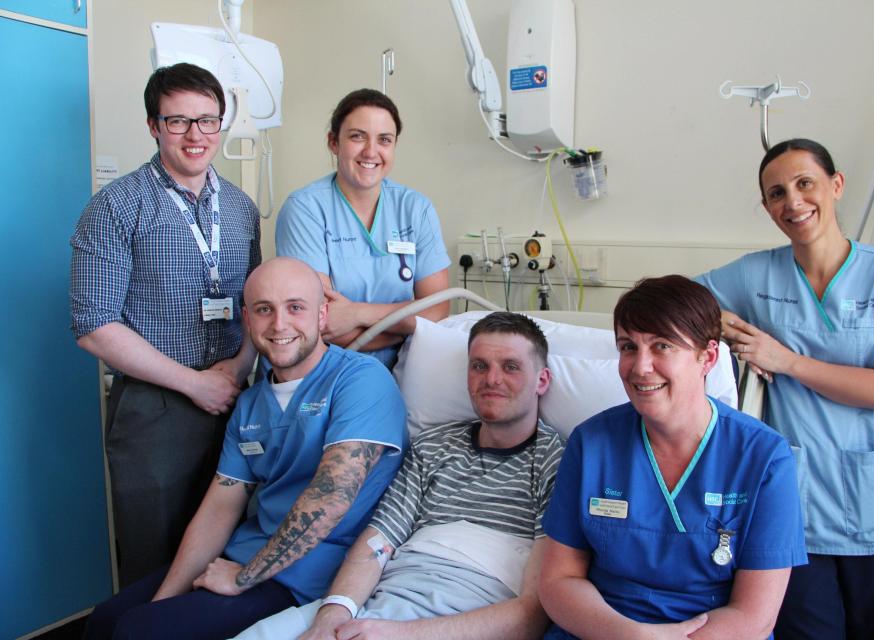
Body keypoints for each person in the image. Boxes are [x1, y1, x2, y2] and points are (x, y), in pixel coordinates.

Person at [83, 258, 408, 640]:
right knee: (107, 620)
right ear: (247, 319)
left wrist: (244, 576)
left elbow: (333, 497)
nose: (280, 324)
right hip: (246, 553)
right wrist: (165, 599)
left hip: (309, 571)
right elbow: (220, 508)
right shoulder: (251, 404)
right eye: (264, 309)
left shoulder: (360, 380)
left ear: (322, 315)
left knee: (140, 631)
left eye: (295, 307)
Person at [696, 138, 874, 639]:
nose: (794, 202)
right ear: (767, 207)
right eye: (777, 193)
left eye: (805, 184)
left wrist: (785, 361)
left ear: (836, 185)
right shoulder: (758, 273)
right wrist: (727, 326)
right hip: (796, 516)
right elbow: (672, 300)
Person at [233, 311, 566, 640]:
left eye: (511, 367)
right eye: (479, 365)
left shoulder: (560, 463)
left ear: (542, 381)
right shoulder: (432, 446)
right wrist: (332, 615)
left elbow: (530, 615)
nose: (492, 379)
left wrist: (399, 633)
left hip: (464, 616)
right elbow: (379, 541)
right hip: (383, 599)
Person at [70, 62, 261, 586]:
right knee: (156, 555)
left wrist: (237, 367)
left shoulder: (242, 208)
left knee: (234, 548)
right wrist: (195, 384)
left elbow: (255, 305)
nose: (195, 135)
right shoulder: (115, 207)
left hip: (235, 395)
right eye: (178, 121)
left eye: (207, 120)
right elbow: (93, 325)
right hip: (156, 405)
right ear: (154, 126)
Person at [539, 276, 807, 639]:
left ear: (707, 357)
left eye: (662, 346)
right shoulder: (591, 444)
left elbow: (754, 615)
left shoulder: (763, 457)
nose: (640, 367)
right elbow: (558, 581)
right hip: (603, 629)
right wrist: (631, 636)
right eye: (628, 347)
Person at [275, 88, 451, 368]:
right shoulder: (305, 209)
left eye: (384, 140)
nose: (371, 151)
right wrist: (406, 325)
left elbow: (439, 309)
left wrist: (357, 313)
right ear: (334, 142)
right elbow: (321, 323)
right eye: (357, 136)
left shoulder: (416, 208)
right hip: (324, 370)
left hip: (405, 370)